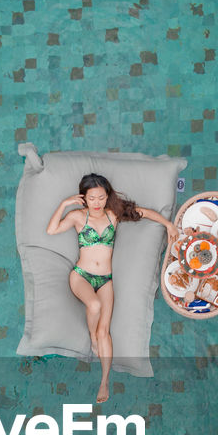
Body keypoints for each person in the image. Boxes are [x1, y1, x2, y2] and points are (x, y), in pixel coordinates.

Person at [46, 173, 179, 403]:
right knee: (95, 306)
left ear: (107, 196)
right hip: (81, 276)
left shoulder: (113, 214)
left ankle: (104, 380)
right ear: (84, 198)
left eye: (101, 197)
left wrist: (167, 224)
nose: (96, 203)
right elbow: (51, 230)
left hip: (105, 279)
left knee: (105, 330)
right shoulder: (77, 216)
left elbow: (145, 213)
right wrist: (64, 203)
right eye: (91, 198)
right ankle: (92, 337)